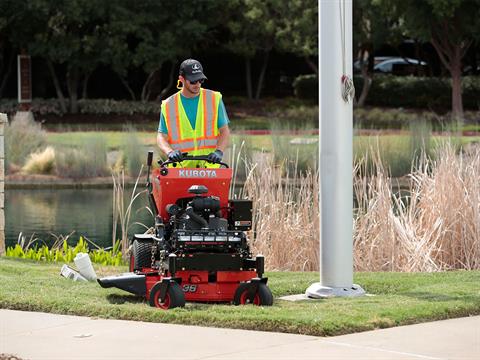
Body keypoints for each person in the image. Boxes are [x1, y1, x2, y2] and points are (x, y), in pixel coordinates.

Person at [157, 59, 230, 168]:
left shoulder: (214, 99)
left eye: (200, 80)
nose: (197, 84)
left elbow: (224, 131)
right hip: (180, 170)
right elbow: (161, 136)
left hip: (208, 168)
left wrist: (219, 151)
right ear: (181, 79)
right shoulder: (168, 105)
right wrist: (169, 152)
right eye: (193, 81)